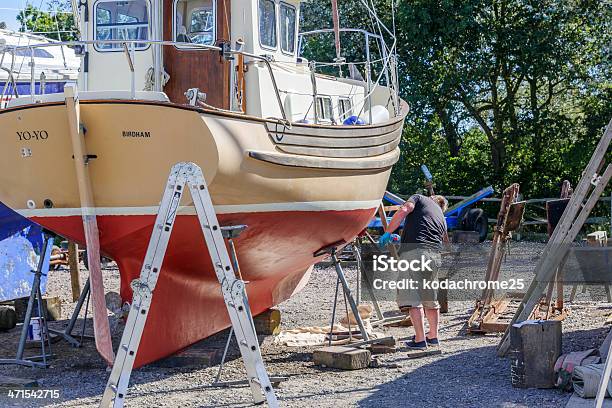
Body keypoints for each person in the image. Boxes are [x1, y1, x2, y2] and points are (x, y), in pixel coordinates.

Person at [379, 194, 448, 350]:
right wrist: (400, 240)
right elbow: (428, 235)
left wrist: (388, 232)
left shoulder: (419, 198)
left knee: (412, 297)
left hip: (415, 254)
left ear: (432, 197)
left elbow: (405, 209)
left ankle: (420, 339)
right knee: (430, 298)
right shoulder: (441, 217)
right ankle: (433, 336)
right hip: (434, 257)